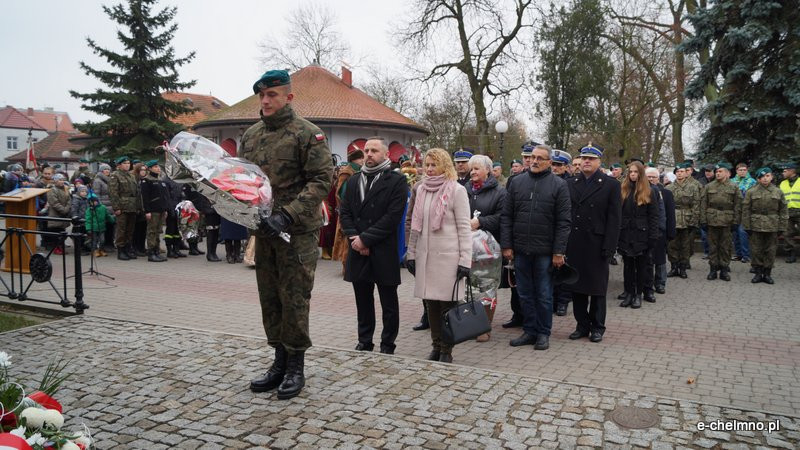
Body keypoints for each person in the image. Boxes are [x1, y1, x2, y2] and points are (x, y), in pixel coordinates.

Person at [241, 69, 333, 400]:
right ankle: (278, 361)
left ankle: (296, 366)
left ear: (288, 97)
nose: (265, 101)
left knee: (294, 298)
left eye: (272, 95)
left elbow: (322, 180)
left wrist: (287, 215)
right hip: (263, 231)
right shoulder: (250, 135)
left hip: (296, 232)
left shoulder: (308, 134)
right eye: (262, 96)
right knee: (270, 298)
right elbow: (243, 179)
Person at [339, 137, 408, 354]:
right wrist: (355, 239)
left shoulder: (397, 181)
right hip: (358, 249)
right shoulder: (353, 181)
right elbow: (345, 213)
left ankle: (388, 343)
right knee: (363, 300)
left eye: (374, 151)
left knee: (388, 302)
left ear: (386, 155)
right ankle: (365, 340)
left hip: (383, 250)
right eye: (367, 150)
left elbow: (392, 217)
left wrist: (366, 239)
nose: (369, 154)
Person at [501, 144, 571, 350]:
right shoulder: (516, 182)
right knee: (524, 293)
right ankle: (529, 330)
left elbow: (564, 221)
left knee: (543, 294)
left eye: (540, 158)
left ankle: (543, 332)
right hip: (521, 250)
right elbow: (507, 216)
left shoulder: (559, 185)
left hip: (545, 252)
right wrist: (507, 245)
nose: (535, 161)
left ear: (549, 162)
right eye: (532, 157)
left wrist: (559, 251)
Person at [406, 148, 472, 363]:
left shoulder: (456, 190)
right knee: (430, 305)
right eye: (427, 164)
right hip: (426, 257)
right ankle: (435, 346)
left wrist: (465, 261)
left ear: (445, 166)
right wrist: (411, 254)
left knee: (448, 306)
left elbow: (464, 228)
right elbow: (414, 226)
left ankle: (447, 349)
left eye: (434, 165)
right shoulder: (420, 189)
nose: (430, 169)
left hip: (448, 258)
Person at [565, 145, 621, 343]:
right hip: (576, 242)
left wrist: (610, 246)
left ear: (599, 162)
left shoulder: (610, 185)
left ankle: (597, 326)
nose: (586, 161)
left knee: (597, 288)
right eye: (583, 158)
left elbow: (614, 219)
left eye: (591, 158)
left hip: (597, 243)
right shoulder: (571, 183)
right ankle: (582, 325)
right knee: (577, 286)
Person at [466, 154, 507, 342]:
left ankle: (484, 326)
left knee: (486, 286)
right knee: (467, 286)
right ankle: (468, 324)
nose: (472, 172)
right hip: (466, 246)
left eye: (476, 169)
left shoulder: (499, 192)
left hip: (488, 249)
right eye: (471, 168)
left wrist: (480, 221)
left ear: (488, 171)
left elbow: (503, 217)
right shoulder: (464, 189)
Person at [617, 161, 659, 308]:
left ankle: (638, 295)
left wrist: (653, 237)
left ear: (640, 173)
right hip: (626, 233)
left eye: (635, 172)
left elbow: (654, 216)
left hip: (642, 235)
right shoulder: (623, 190)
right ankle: (628, 293)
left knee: (641, 267)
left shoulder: (649, 191)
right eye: (630, 172)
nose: (633, 174)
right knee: (628, 266)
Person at [743, 167, 788, 284]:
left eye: (767, 176)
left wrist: (782, 227)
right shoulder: (751, 191)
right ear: (758, 179)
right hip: (756, 224)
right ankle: (758, 273)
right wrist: (747, 226)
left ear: (771, 177)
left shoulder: (778, 192)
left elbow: (783, 211)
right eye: (762, 176)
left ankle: (767, 274)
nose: (765, 178)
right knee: (756, 250)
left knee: (771, 250)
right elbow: (746, 210)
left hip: (773, 225)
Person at [699, 162, 742, 281]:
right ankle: (713, 269)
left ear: (727, 173)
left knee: (725, 246)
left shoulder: (734, 187)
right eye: (716, 172)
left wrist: (736, 222)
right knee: (713, 246)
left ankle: (724, 269)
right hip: (712, 220)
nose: (717, 173)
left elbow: (738, 205)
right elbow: (703, 204)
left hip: (727, 220)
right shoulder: (709, 186)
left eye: (720, 171)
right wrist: (703, 220)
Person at [666, 162, 701, 278]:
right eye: (677, 172)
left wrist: (694, 222)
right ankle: (674, 266)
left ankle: (683, 267)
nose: (680, 174)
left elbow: (696, 205)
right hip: (673, 218)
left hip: (687, 219)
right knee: (672, 245)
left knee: (685, 245)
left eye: (682, 171)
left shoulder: (693, 187)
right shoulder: (669, 187)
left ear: (686, 173)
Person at [332, 149, 363, 275]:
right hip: (348, 211)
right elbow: (341, 193)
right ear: (355, 159)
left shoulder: (360, 171)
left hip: (356, 211)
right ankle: (346, 266)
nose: (363, 160)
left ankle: (352, 266)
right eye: (360, 158)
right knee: (346, 239)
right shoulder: (347, 172)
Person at [645, 167, 675, 294]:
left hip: (660, 231)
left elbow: (670, 214)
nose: (651, 179)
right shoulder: (642, 192)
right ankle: (648, 283)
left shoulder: (666, 193)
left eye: (653, 177)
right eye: (648, 177)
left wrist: (670, 232)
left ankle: (660, 283)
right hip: (645, 231)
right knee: (648, 259)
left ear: (659, 178)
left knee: (660, 259)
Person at [550, 149, 573, 316]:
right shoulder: (545, 181)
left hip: (565, 232)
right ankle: (551, 300)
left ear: (566, 167)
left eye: (559, 165)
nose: (555, 168)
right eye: (553, 164)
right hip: (547, 232)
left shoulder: (571, 184)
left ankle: (563, 301)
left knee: (563, 267)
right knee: (549, 270)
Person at [108, 156, 140, 260]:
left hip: (132, 205)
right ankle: (121, 250)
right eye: (125, 163)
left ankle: (127, 248)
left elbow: (136, 192)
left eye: (128, 163)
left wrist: (138, 206)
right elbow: (113, 193)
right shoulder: (115, 176)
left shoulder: (131, 175)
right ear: (119, 165)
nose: (127, 165)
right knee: (121, 229)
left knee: (130, 229)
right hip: (122, 206)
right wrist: (116, 207)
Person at [139, 160, 169, 262]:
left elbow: (164, 196)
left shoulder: (160, 180)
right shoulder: (146, 180)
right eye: (155, 167)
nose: (158, 168)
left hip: (160, 209)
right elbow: (145, 197)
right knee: (151, 231)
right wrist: (147, 211)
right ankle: (151, 253)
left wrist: (165, 209)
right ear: (150, 168)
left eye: (158, 167)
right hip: (153, 210)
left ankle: (156, 251)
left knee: (158, 231)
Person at [731, 163, 756, 263]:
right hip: (734, 210)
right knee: (735, 234)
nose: (742, 171)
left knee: (742, 232)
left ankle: (746, 255)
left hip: (746, 211)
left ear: (747, 170)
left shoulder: (752, 181)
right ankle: (738, 254)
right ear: (736, 171)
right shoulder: (732, 181)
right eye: (740, 170)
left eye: (744, 170)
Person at [45, 174, 71, 255]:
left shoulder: (65, 189)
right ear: (55, 181)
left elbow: (69, 200)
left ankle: (61, 247)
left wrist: (66, 208)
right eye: (59, 180)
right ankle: (57, 248)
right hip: (55, 214)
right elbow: (54, 203)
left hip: (64, 213)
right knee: (56, 233)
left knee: (62, 232)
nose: (62, 181)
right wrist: (63, 210)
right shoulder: (51, 190)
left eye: (62, 179)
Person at [92, 163, 115, 253]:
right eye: (105, 169)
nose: (107, 171)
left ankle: (110, 243)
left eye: (108, 169)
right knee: (104, 228)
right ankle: (104, 245)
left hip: (111, 207)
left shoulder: (111, 180)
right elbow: (96, 195)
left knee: (111, 227)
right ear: (101, 171)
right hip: (103, 207)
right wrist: (101, 207)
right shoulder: (98, 181)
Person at [778, 162, 799, 263]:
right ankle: (791, 254)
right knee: (786, 234)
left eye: (785, 171)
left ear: (792, 171)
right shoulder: (783, 183)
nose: (783, 173)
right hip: (787, 212)